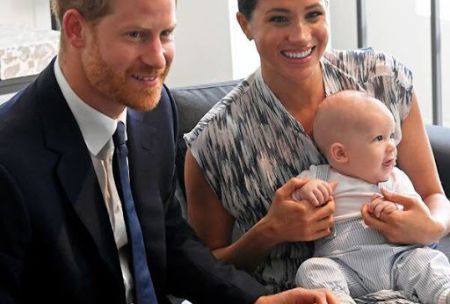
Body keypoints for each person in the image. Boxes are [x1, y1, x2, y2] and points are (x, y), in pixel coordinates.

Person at [0, 0, 339, 303]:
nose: (157, 59)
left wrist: (258, 302)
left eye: (165, 34)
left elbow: (170, 240)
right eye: (135, 35)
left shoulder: (154, 110)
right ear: (75, 29)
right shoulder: (9, 160)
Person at [184, 0, 450, 294]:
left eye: (313, 14)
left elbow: (434, 195)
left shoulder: (382, 80)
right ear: (246, 25)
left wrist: (431, 227)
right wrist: (270, 231)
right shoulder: (214, 140)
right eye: (279, 19)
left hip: (408, 280)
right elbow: (203, 273)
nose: (300, 35)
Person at [291, 90, 450, 304]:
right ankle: (339, 300)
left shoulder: (396, 178)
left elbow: (415, 213)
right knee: (312, 269)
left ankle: (444, 295)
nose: (392, 145)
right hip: (344, 265)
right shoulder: (320, 177)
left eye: (391, 136)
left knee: (427, 261)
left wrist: (395, 212)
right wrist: (306, 191)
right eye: (379, 138)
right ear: (340, 154)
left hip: (398, 260)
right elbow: (291, 197)